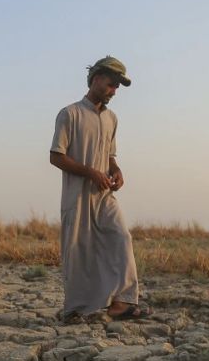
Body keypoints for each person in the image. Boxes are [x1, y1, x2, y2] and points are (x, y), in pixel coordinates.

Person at [49, 56, 148, 322]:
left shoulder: (112, 119)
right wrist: (91, 172)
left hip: (104, 195)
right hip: (77, 195)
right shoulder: (69, 114)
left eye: (117, 87)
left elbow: (109, 155)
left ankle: (123, 301)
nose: (114, 90)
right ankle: (78, 309)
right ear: (95, 79)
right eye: (111, 83)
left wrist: (115, 169)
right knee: (79, 249)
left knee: (120, 237)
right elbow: (56, 156)